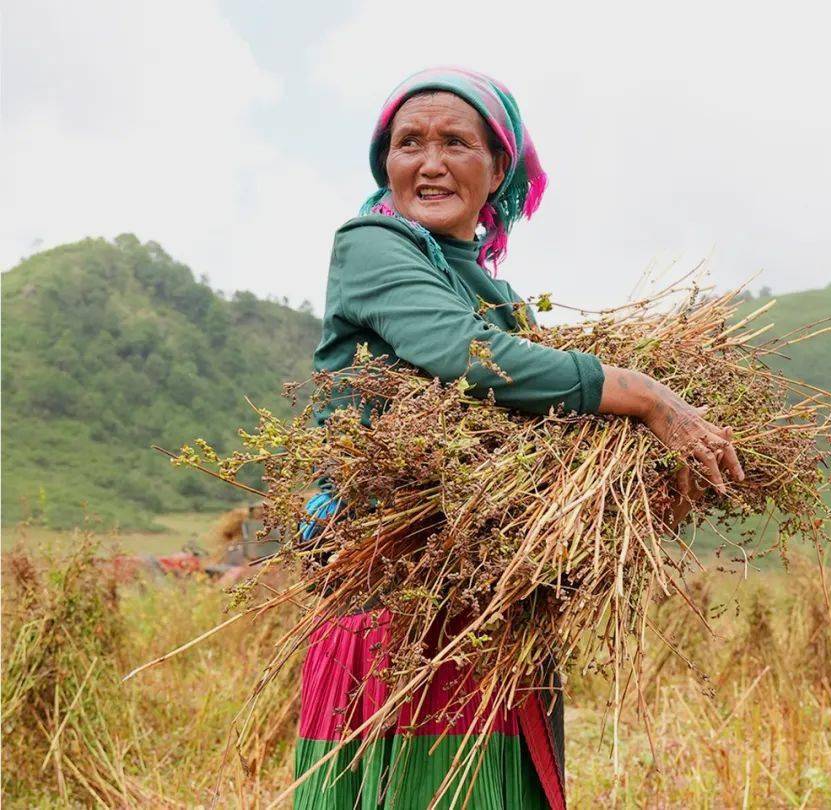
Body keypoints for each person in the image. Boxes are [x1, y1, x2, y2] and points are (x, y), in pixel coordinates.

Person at [294, 67, 744, 810]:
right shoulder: (372, 244)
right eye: (409, 143)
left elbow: (539, 423)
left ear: (498, 167)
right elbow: (466, 357)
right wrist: (642, 394)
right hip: (391, 600)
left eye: (455, 143)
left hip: (479, 608)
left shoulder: (496, 294)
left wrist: (645, 482)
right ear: (386, 163)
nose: (429, 162)